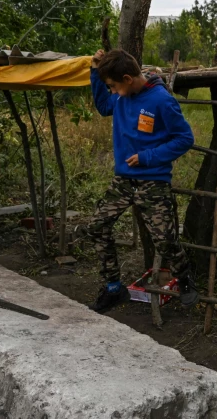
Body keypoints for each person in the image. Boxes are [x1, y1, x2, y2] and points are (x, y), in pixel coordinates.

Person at [88, 48, 198, 311]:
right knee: (96, 226)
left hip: (152, 180)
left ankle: (184, 278)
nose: (112, 92)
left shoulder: (161, 101)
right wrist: (94, 71)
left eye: (113, 86)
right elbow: (104, 106)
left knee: (165, 240)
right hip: (124, 180)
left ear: (127, 78)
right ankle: (114, 288)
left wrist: (148, 156)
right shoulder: (120, 98)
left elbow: (185, 139)